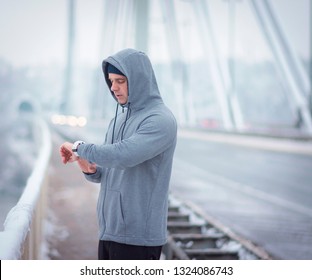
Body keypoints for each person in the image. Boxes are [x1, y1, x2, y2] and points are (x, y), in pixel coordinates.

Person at [59, 48, 177, 260]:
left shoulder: (160, 120)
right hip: (110, 231)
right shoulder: (119, 119)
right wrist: (91, 168)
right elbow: (111, 169)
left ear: (139, 80)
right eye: (111, 81)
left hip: (138, 238)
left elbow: (123, 156)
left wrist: (79, 147)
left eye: (120, 81)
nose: (113, 88)